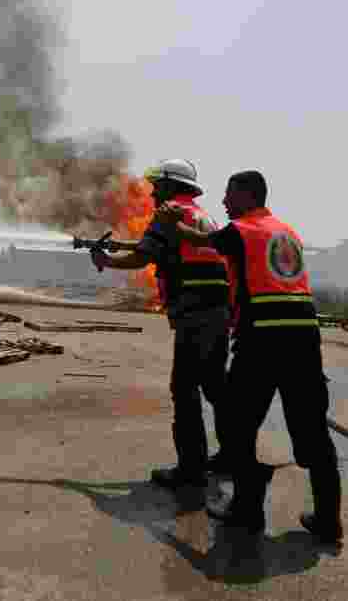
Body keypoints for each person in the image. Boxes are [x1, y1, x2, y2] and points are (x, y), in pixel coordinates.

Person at [155, 169, 343, 544]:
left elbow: (200, 239)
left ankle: (247, 510)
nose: (224, 202)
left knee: (237, 426)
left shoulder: (244, 230)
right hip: (304, 340)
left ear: (247, 195)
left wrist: (171, 220)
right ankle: (328, 520)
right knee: (313, 433)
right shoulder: (287, 231)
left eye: (229, 194)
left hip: (262, 339)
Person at [91, 159, 232, 490]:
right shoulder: (202, 216)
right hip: (218, 313)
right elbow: (165, 249)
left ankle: (191, 469)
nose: (153, 193)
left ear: (171, 187)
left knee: (184, 389)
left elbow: (143, 256)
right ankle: (231, 456)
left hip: (193, 315)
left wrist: (106, 260)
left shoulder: (169, 212)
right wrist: (126, 246)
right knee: (215, 387)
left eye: (158, 186)